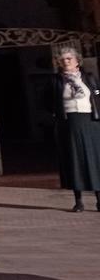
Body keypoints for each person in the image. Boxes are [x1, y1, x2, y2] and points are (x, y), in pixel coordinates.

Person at [50, 45, 100, 212]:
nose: (66, 61)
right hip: (69, 123)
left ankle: (99, 200)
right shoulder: (56, 81)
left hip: (90, 122)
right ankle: (78, 201)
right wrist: (57, 113)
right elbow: (47, 102)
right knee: (74, 160)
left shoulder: (89, 78)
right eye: (63, 59)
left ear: (77, 61)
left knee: (94, 160)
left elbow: (98, 97)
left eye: (69, 58)